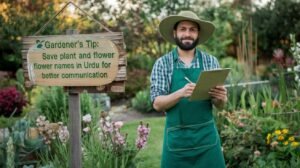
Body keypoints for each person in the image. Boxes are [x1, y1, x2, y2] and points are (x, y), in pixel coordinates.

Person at [150, 11, 227, 168]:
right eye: (183, 29)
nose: (187, 34)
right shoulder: (163, 64)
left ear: (198, 34)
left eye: (192, 29)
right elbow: (157, 103)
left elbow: (219, 105)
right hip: (177, 142)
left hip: (207, 140)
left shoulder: (210, 61)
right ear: (175, 33)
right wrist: (181, 93)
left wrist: (221, 98)